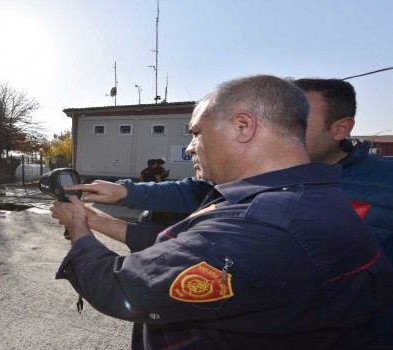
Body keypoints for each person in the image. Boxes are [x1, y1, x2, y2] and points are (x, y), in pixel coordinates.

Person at [49, 75, 393, 349]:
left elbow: (122, 288)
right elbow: (185, 244)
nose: (189, 146)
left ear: (244, 127)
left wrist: (80, 229)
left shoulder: (258, 223)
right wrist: (99, 214)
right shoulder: (306, 195)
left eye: (197, 132)